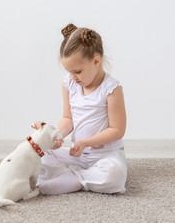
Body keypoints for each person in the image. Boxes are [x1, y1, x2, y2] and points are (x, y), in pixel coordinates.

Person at [37, 23, 127, 195]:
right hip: (77, 155)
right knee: (39, 153)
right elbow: (68, 119)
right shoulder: (69, 84)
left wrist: (86, 143)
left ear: (96, 61)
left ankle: (75, 179)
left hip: (105, 156)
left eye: (77, 71)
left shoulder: (111, 89)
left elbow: (117, 130)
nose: (73, 77)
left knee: (114, 175)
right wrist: (57, 136)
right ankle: (78, 176)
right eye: (69, 71)